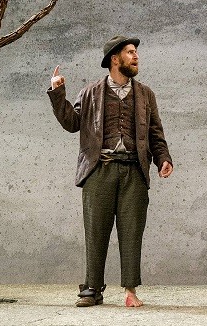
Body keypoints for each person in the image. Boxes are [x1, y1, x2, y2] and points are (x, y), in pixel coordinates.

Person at [47, 35, 173, 308]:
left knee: (132, 231)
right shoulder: (91, 92)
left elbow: (155, 133)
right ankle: (92, 288)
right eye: (130, 52)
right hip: (99, 169)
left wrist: (163, 159)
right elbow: (71, 123)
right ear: (115, 59)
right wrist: (58, 93)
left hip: (134, 171)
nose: (136, 56)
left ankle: (130, 290)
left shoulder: (146, 94)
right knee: (96, 230)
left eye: (136, 52)